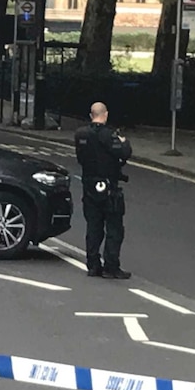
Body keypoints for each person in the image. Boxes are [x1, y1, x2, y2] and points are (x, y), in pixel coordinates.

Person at [74, 102, 133, 279]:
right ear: (105, 115)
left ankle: (92, 265)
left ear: (91, 115)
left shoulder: (80, 134)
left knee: (93, 227)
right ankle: (111, 266)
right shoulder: (110, 135)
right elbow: (123, 153)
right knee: (114, 229)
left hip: (89, 186)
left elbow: (80, 158)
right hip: (109, 187)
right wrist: (124, 143)